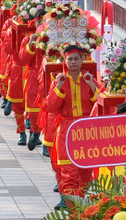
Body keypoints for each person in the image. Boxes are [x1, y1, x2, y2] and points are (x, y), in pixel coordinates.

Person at [43, 44, 101, 195]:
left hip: (87, 130)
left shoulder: (90, 79)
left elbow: (100, 105)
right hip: (66, 131)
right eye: (70, 59)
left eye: (76, 59)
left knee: (86, 174)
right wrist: (59, 87)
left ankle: (82, 209)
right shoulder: (58, 81)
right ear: (65, 61)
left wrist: (92, 87)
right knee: (69, 174)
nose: (73, 62)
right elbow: (50, 107)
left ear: (82, 60)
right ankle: (72, 210)